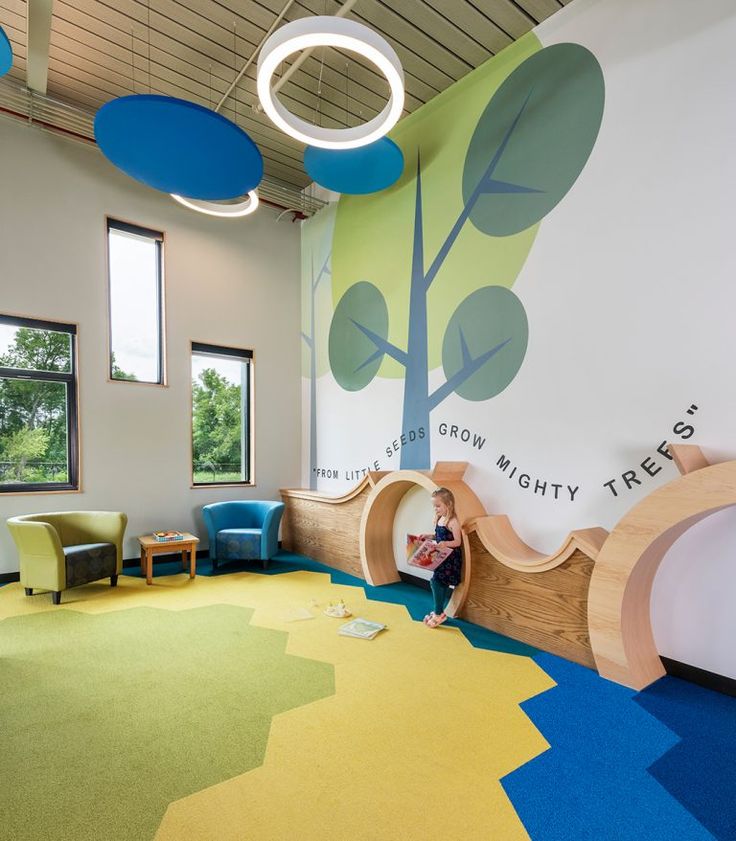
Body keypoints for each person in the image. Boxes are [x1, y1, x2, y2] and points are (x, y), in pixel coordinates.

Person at [421, 487, 462, 628]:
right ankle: (439, 612)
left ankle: (439, 613)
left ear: (449, 504)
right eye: (434, 506)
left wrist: (445, 544)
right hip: (440, 557)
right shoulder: (440, 519)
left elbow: (458, 541)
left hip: (450, 558)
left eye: (438, 506)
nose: (435, 509)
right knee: (440, 583)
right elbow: (439, 536)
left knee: (436, 582)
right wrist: (429, 536)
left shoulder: (453, 521)